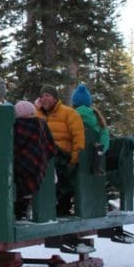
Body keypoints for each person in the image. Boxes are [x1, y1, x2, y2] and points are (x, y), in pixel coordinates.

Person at [36, 85, 85, 216]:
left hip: (62, 157)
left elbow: (78, 138)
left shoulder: (69, 113)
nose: (44, 98)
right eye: (42, 96)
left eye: (47, 95)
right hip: (41, 157)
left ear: (55, 98)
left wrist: (74, 160)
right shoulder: (36, 115)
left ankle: (61, 208)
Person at [12, 100, 57, 219]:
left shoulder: (13, 127)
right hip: (32, 166)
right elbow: (49, 149)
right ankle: (24, 208)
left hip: (12, 168)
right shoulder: (38, 125)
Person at [71, 83, 110, 174]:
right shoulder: (98, 119)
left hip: (73, 162)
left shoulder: (70, 116)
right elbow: (105, 141)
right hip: (92, 164)